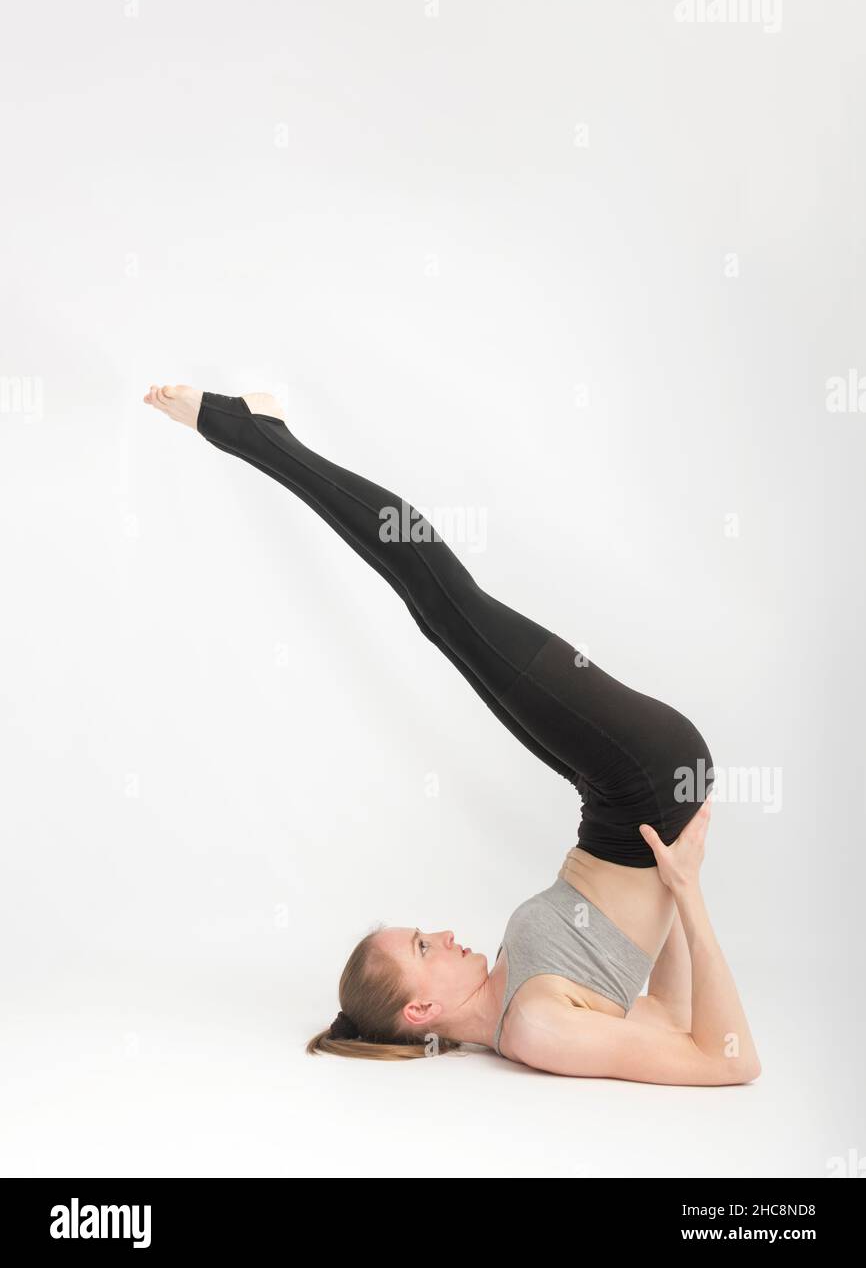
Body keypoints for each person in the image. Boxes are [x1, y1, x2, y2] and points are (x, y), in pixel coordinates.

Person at [144, 383, 761, 1085]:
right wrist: (688, 891)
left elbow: (665, 1009)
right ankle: (250, 430)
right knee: (441, 596)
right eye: (421, 945)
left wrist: (676, 884)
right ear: (422, 1008)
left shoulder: (513, 991)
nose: (439, 933)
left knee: (440, 612)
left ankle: (261, 432)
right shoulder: (534, 1026)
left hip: (624, 798)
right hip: (646, 778)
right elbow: (725, 1060)